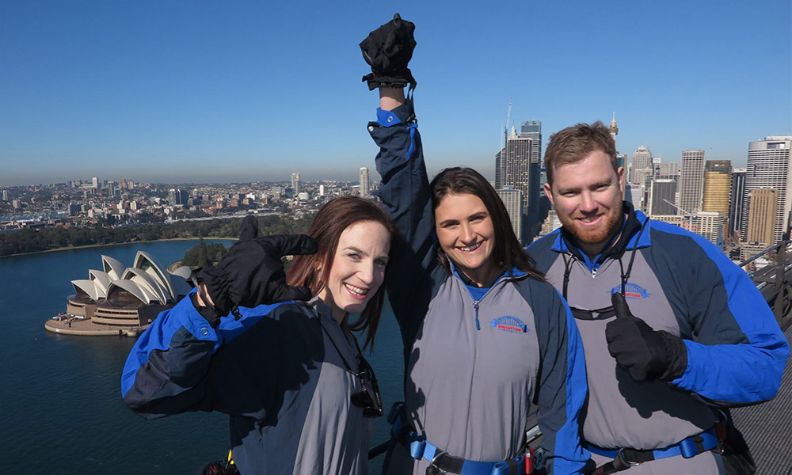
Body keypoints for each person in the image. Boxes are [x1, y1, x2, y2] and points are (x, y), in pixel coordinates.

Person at [360, 15, 591, 474]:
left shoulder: (539, 299)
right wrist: (392, 91)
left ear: (497, 216)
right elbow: (404, 195)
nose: (466, 236)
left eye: (477, 217)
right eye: (449, 225)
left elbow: (563, 410)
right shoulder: (423, 290)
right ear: (437, 236)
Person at [526, 121, 790, 474]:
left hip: (683, 460)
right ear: (549, 193)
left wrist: (676, 358)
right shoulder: (533, 264)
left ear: (621, 180)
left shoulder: (684, 254)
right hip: (583, 464)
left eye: (600, 186)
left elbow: (765, 367)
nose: (587, 205)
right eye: (571, 192)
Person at [121, 197, 395, 475]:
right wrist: (208, 301)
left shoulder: (341, 335)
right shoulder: (282, 329)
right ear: (319, 258)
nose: (369, 275)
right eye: (354, 255)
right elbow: (146, 393)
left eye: (380, 261)